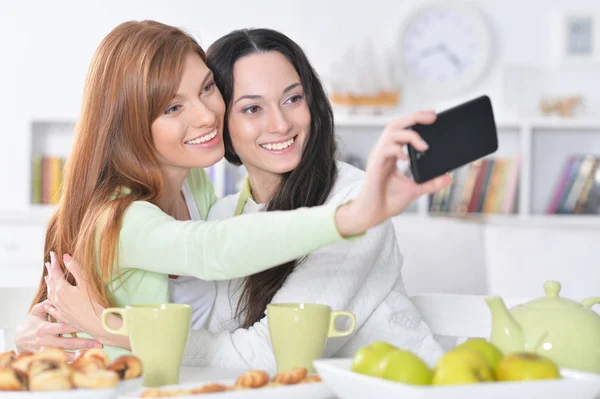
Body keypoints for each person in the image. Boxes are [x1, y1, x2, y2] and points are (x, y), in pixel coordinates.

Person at [15, 21, 451, 362]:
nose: (205, 115)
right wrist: (348, 218)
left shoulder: (203, 193)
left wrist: (123, 331)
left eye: (207, 89)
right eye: (252, 108)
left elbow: (248, 335)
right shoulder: (137, 217)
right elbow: (212, 249)